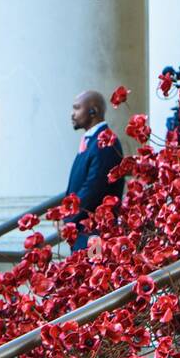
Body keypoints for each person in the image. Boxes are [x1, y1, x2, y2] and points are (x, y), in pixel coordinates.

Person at [63, 89, 124, 253]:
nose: (72, 114)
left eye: (77, 108)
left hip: (95, 234)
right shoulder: (91, 141)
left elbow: (94, 187)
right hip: (83, 232)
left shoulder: (105, 142)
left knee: (94, 274)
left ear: (93, 111)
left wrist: (69, 216)